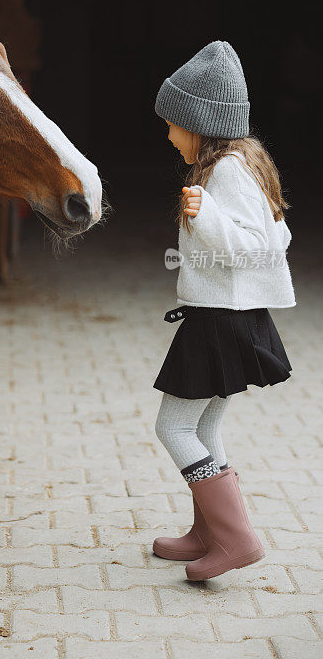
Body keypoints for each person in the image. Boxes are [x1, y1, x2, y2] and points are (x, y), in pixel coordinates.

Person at [151, 41, 295, 581]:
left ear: (198, 122)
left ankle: (237, 539)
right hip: (227, 318)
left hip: (220, 321)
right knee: (206, 427)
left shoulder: (227, 172)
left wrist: (206, 213)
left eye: (172, 124)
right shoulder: (244, 163)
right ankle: (208, 532)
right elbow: (278, 234)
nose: (168, 135)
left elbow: (250, 246)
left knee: (173, 427)